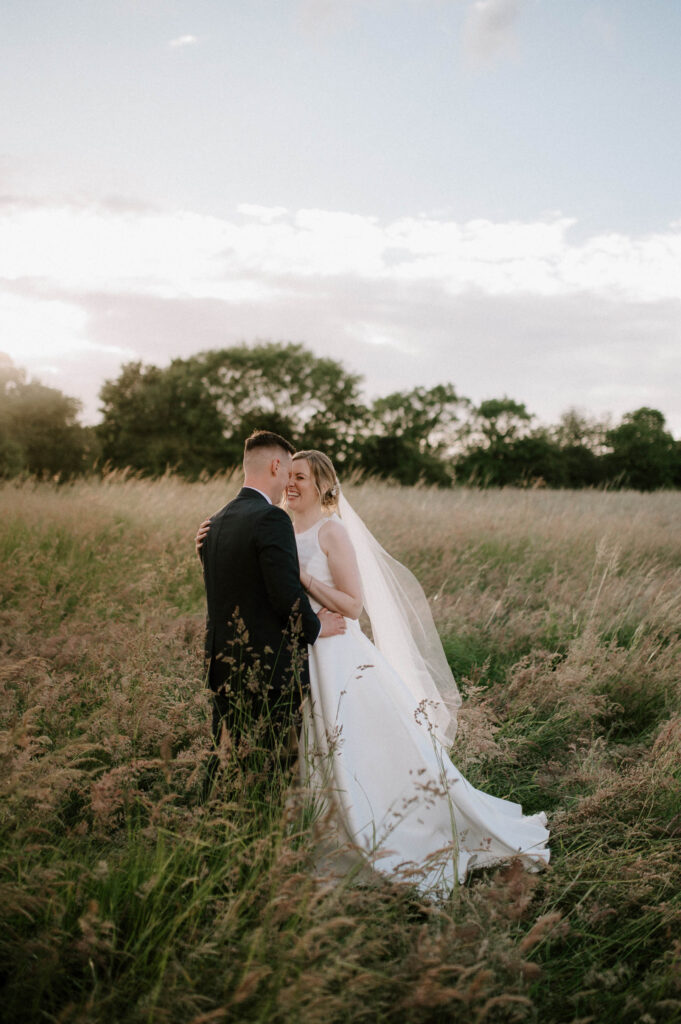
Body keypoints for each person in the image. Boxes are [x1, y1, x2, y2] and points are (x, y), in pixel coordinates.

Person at [197, 447, 549, 893]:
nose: (292, 483)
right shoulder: (275, 524)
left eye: (302, 477)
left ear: (323, 486)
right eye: (291, 475)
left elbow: (353, 605)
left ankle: (372, 827)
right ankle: (301, 827)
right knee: (304, 744)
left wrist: (306, 580)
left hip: (336, 650)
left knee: (351, 744)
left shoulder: (332, 531)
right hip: (299, 650)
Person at [198, 431, 346, 791]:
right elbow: (284, 594)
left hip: (223, 662)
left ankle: (211, 829)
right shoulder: (271, 518)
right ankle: (265, 835)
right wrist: (315, 628)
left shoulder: (215, 522)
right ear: (276, 465)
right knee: (273, 771)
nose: (288, 483)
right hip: (267, 669)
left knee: (225, 760)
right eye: (288, 472)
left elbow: (231, 585)